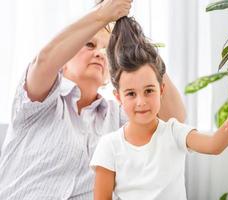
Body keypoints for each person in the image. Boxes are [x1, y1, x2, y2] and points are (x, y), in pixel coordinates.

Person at [0, 0, 186, 199]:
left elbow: (174, 119)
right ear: (64, 60)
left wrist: (137, 42)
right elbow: (44, 61)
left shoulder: (119, 117)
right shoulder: (39, 103)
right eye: (90, 44)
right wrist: (102, 14)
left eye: (107, 51)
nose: (99, 53)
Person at [90, 17, 228, 200]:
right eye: (131, 94)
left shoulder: (174, 131)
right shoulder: (109, 146)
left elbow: (213, 146)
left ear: (161, 90)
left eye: (148, 91)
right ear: (118, 97)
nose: (141, 102)